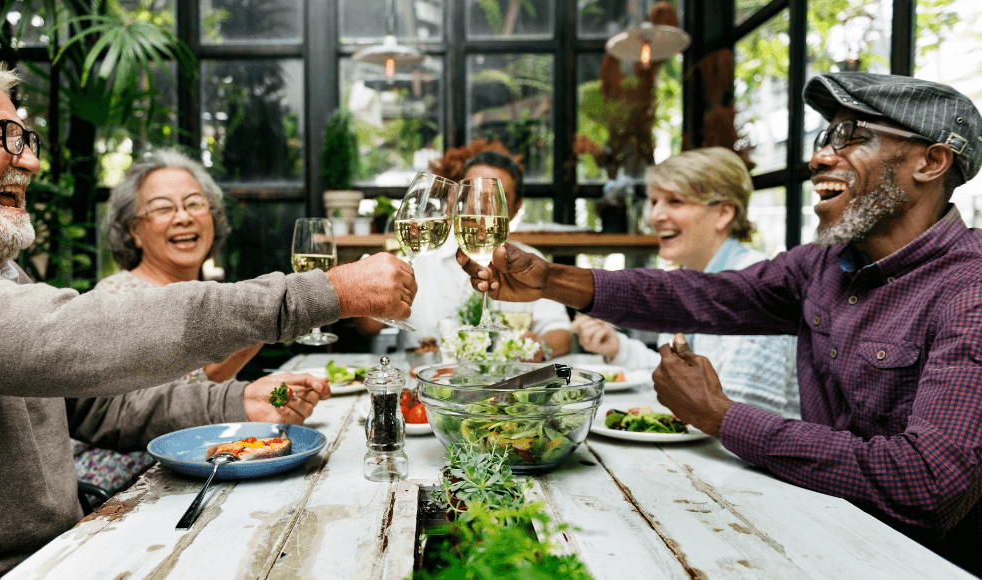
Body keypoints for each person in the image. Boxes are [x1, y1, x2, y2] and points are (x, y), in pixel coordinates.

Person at [0, 50, 414, 580]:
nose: (27, 162)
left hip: (62, 553)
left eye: (25, 139)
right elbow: (89, 335)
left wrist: (235, 404)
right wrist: (322, 293)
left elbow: (97, 405)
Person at [459, 72, 982, 573]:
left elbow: (927, 481)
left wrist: (719, 415)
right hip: (816, 527)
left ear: (931, 161)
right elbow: (700, 293)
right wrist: (550, 280)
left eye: (852, 136)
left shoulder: (969, 290)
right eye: (826, 135)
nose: (821, 156)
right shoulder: (822, 265)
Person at [71, 149, 272, 493]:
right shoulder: (121, 297)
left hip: (190, 471)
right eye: (164, 208)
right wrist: (269, 317)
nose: (183, 218)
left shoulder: (209, 293)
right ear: (134, 231)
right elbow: (176, 397)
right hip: (118, 489)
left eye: (194, 203)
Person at [572, 147, 799, 418]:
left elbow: (742, 416)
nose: (655, 217)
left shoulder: (754, 287)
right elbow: (677, 380)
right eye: (654, 202)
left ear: (724, 213)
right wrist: (617, 347)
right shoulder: (690, 278)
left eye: (675, 201)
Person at [356, 151, 572, 359]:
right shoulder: (421, 252)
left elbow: (562, 334)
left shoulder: (529, 263)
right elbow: (367, 326)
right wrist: (370, 298)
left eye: (495, 197)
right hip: (424, 384)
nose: (480, 207)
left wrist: (539, 347)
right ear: (453, 201)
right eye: (471, 195)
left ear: (515, 208)